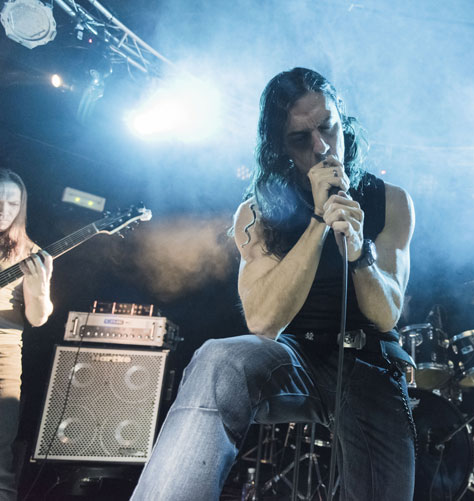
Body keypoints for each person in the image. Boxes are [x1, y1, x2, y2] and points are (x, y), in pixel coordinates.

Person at [131, 68, 416, 500]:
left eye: (327, 127)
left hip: (371, 362)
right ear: (280, 147)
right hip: (296, 358)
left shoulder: (391, 200)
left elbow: (385, 315)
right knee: (219, 359)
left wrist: (359, 254)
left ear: (343, 122)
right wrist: (318, 223)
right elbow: (263, 321)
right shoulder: (256, 213)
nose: (321, 147)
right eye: (301, 139)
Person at [0, 169, 53, 501]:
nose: (4, 210)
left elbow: (37, 318)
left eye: (12, 203)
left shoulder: (32, 253)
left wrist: (39, 288)